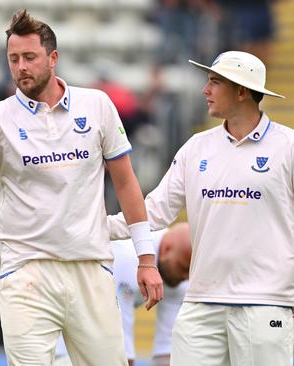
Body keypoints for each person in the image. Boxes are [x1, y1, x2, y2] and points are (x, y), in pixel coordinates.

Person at [0, 10, 163, 365]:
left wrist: (146, 258)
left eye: (29, 57)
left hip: (89, 266)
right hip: (26, 271)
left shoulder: (96, 106)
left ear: (53, 58)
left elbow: (126, 182)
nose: (20, 68)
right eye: (13, 59)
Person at [108, 50, 292, 365]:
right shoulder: (197, 147)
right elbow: (155, 210)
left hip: (266, 304)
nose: (205, 90)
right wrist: (95, 226)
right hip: (200, 304)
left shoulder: (287, 147)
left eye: (214, 82)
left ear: (242, 91)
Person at [55, 223, 191, 366]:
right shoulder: (129, 257)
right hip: (64, 328)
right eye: (183, 268)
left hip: (94, 329)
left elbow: (166, 347)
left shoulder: (178, 272)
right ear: (166, 249)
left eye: (189, 272)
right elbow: (122, 341)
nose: (185, 277)